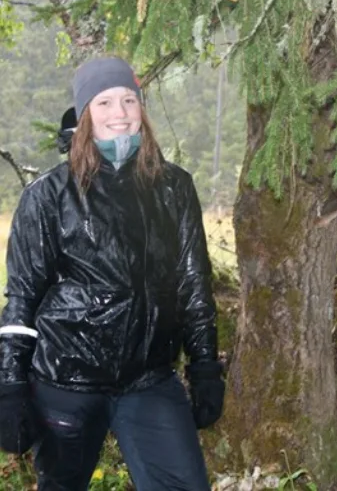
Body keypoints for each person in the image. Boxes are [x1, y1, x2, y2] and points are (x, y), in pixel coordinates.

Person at [0, 56, 225, 490]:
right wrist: (10, 386)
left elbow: (194, 286)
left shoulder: (175, 188)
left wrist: (204, 368)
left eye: (128, 100)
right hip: (66, 381)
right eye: (104, 102)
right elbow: (22, 300)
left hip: (149, 380)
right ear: (85, 113)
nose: (119, 114)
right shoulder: (47, 196)